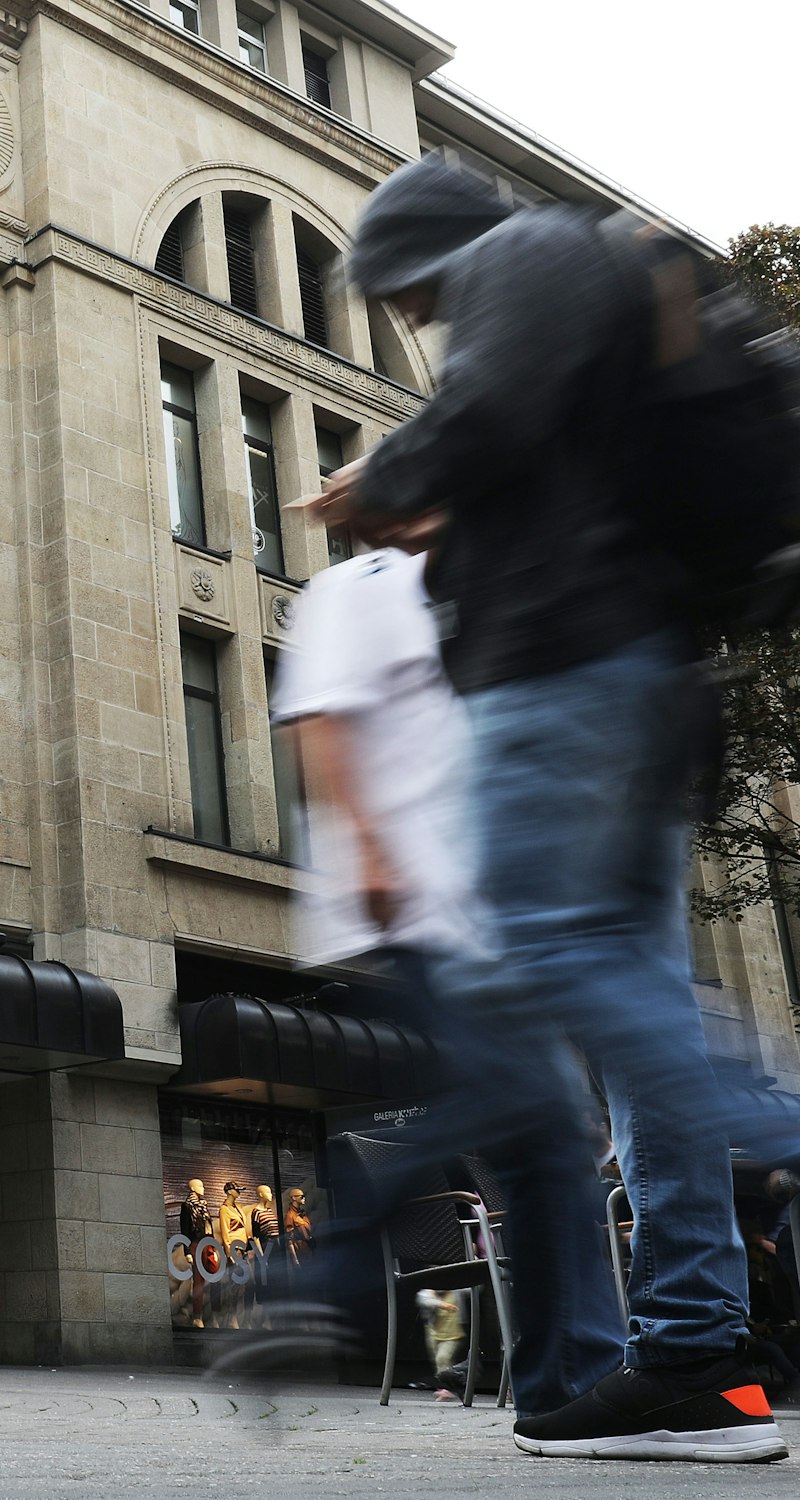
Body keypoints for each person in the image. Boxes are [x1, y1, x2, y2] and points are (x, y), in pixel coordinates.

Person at [305, 153, 788, 1462]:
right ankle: (696, 1356)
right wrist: (444, 528)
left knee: (546, 948)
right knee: (637, 1023)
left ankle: (776, 1157)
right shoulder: (600, 288)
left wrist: (382, 482)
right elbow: (552, 468)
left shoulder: (523, 255)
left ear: (427, 248)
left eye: (397, 290)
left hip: (565, 674)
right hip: (640, 675)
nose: (407, 317)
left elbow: (488, 412)